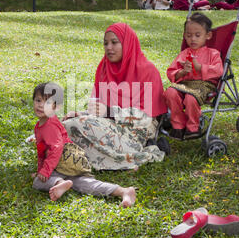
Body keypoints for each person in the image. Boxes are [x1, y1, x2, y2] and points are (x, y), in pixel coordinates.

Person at [63, 23, 168, 171]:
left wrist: (108, 112)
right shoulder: (104, 68)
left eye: (114, 42)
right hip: (108, 122)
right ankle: (84, 157)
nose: (109, 48)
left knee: (77, 126)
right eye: (105, 43)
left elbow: (145, 118)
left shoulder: (147, 70)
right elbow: (98, 108)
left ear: (127, 43)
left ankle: (140, 154)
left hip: (137, 129)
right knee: (67, 124)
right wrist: (82, 113)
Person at [31, 82, 136, 207]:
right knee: (85, 184)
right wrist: (41, 169)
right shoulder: (44, 124)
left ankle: (59, 182)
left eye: (47, 102)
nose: (41, 105)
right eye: (38, 100)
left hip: (63, 163)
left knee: (37, 182)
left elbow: (56, 148)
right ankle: (123, 191)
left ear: (56, 107)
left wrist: (45, 171)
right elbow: (43, 151)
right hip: (73, 163)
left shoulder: (49, 126)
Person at [164, 13, 223, 140]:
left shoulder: (213, 53)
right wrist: (182, 72)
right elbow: (171, 72)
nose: (193, 39)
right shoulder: (185, 53)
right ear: (185, 35)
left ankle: (193, 127)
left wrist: (200, 67)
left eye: (197, 35)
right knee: (170, 93)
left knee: (191, 98)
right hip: (184, 84)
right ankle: (178, 125)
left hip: (203, 85)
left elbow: (218, 71)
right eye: (189, 36)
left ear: (208, 35)